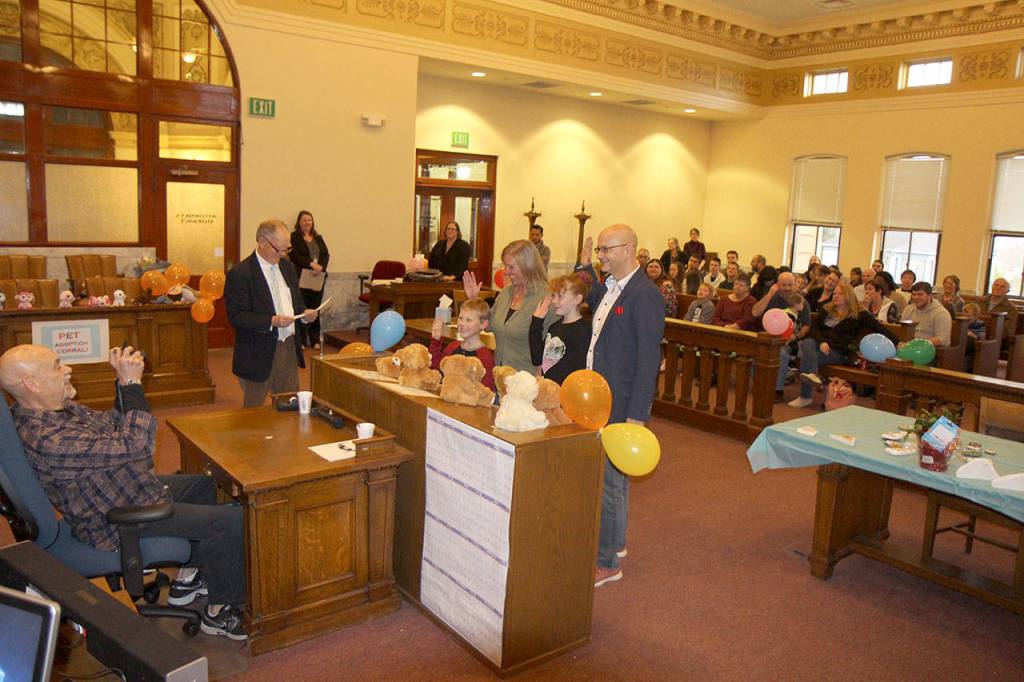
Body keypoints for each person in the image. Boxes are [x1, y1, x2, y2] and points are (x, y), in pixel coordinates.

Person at [0, 344, 248, 640]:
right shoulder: (50, 439)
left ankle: (190, 579)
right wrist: (132, 385)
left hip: (121, 488)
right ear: (31, 383)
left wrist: (121, 383)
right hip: (115, 519)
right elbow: (139, 447)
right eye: (57, 366)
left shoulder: (54, 413)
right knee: (229, 521)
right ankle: (218, 613)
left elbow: (113, 424)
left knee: (204, 485)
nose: (68, 370)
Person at [577, 225, 664, 588]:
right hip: (600, 396)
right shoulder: (611, 287)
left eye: (605, 250)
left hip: (621, 400)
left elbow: (648, 358)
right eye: (599, 251)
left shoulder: (646, 294)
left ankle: (607, 561)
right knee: (617, 478)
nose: (602, 256)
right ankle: (618, 542)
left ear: (629, 248)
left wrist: (637, 414)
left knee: (610, 482)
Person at [226, 219, 319, 408]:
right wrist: (271, 321)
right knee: (254, 413)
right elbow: (236, 316)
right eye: (279, 249)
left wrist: (305, 315)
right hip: (257, 351)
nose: (283, 254)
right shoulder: (241, 273)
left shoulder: (287, 267)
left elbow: (296, 303)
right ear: (262, 241)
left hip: (288, 348)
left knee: (289, 406)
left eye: (287, 249)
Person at [790, 283, 898, 407]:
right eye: (834, 293)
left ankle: (805, 396)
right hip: (820, 348)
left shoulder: (859, 314)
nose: (836, 296)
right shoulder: (826, 310)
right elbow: (814, 329)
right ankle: (813, 375)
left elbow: (880, 328)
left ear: (848, 296)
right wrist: (822, 343)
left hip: (839, 352)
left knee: (807, 356)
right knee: (807, 343)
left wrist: (898, 342)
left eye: (840, 293)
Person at [463, 240, 558, 373]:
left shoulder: (547, 298)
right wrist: (474, 299)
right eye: (505, 266)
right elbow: (488, 324)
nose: (506, 272)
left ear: (528, 266)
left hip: (527, 383)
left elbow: (555, 347)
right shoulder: (506, 292)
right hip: (500, 377)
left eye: (511, 267)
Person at [752, 272, 813, 402]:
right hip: (768, 337)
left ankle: (777, 390)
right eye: (783, 285)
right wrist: (769, 295)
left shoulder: (801, 302)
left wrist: (795, 336)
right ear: (777, 285)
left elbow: (806, 325)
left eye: (789, 285)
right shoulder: (772, 297)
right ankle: (759, 386)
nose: (786, 288)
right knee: (754, 351)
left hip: (789, 340)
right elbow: (755, 312)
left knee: (781, 354)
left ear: (795, 285)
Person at [528, 274, 591, 385]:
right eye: (553, 296)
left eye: (560, 296)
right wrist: (536, 322)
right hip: (550, 391)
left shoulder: (584, 330)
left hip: (567, 394)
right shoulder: (555, 327)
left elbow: (581, 370)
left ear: (577, 299)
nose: (554, 301)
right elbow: (537, 359)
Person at [429, 297, 495, 390]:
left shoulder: (485, 358)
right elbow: (436, 372)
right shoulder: (452, 347)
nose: (462, 323)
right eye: (460, 318)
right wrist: (435, 341)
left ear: (483, 324)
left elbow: (485, 391)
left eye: (468, 320)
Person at [289, 210, 330, 350]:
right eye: (304, 220)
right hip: (302, 277)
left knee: (315, 309)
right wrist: (311, 264)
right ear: (299, 222)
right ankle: (300, 340)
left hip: (317, 277)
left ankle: (314, 340)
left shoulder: (318, 237)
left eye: (310, 220)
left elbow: (326, 254)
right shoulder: (294, 237)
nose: (307, 222)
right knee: (302, 309)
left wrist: (320, 267)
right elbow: (294, 255)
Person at [901, 281, 951, 348]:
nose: (916, 297)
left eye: (920, 294)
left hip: (928, 349)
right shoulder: (908, 309)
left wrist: (918, 344)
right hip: (909, 346)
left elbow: (944, 339)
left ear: (930, 296)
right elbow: (903, 331)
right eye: (913, 294)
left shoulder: (941, 313)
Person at [979, 277, 1019, 342]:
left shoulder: (1011, 308)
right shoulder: (980, 301)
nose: (998, 288)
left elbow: (1009, 330)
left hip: (995, 340)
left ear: (1007, 291)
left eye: (1002, 287)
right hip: (975, 333)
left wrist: (987, 333)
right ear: (992, 287)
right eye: (996, 285)